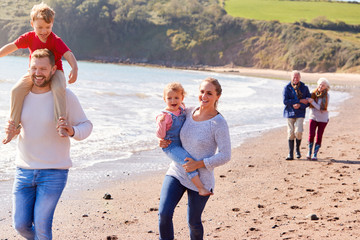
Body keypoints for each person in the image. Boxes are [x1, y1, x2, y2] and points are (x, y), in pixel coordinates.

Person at [4, 48, 92, 240]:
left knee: (43, 226)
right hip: (23, 170)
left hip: (54, 172)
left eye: (43, 69)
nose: (38, 73)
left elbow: (87, 125)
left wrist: (72, 130)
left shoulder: (64, 96)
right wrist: (14, 129)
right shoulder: (22, 96)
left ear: (53, 70)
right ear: (29, 68)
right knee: (20, 225)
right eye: (34, 68)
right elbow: (18, 125)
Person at [158, 77, 231, 240]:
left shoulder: (219, 123)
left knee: (193, 222)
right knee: (164, 214)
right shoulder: (187, 112)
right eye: (202, 92)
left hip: (202, 178)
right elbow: (169, 128)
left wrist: (199, 164)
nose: (204, 96)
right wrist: (160, 140)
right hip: (177, 172)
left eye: (209, 93)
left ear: (217, 96)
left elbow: (226, 155)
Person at [0, 2, 78, 144]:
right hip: (35, 72)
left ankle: (60, 123)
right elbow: (12, 46)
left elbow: (68, 54)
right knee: (16, 90)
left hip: (56, 71)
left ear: (52, 24)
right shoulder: (29, 37)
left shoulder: (55, 40)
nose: (43, 31)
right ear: (32, 24)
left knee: (59, 88)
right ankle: (14, 127)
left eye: (47, 27)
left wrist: (74, 68)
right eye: (40, 27)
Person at [156, 82, 212, 197]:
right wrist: (161, 123)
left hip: (181, 142)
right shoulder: (164, 116)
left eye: (176, 98)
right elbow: (160, 135)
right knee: (187, 161)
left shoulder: (181, 109)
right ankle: (200, 187)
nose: (173, 101)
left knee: (191, 157)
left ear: (182, 98)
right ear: (164, 99)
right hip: (171, 145)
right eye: (169, 98)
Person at [283, 70, 311, 160]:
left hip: (300, 112)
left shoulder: (304, 88)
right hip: (289, 112)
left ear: (300, 78)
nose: (295, 79)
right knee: (290, 132)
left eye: (297, 77)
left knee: (298, 132)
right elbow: (285, 101)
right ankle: (290, 154)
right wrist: (298, 101)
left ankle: (297, 150)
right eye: (294, 77)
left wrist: (300, 105)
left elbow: (308, 102)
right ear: (291, 77)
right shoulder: (287, 88)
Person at [306, 78, 330, 160]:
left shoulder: (327, 96)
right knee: (311, 134)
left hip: (323, 118)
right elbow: (306, 99)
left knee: (319, 136)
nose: (321, 86)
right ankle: (309, 152)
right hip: (313, 116)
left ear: (326, 87)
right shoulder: (313, 93)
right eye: (320, 84)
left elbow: (321, 108)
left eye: (323, 85)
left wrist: (312, 102)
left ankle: (315, 154)